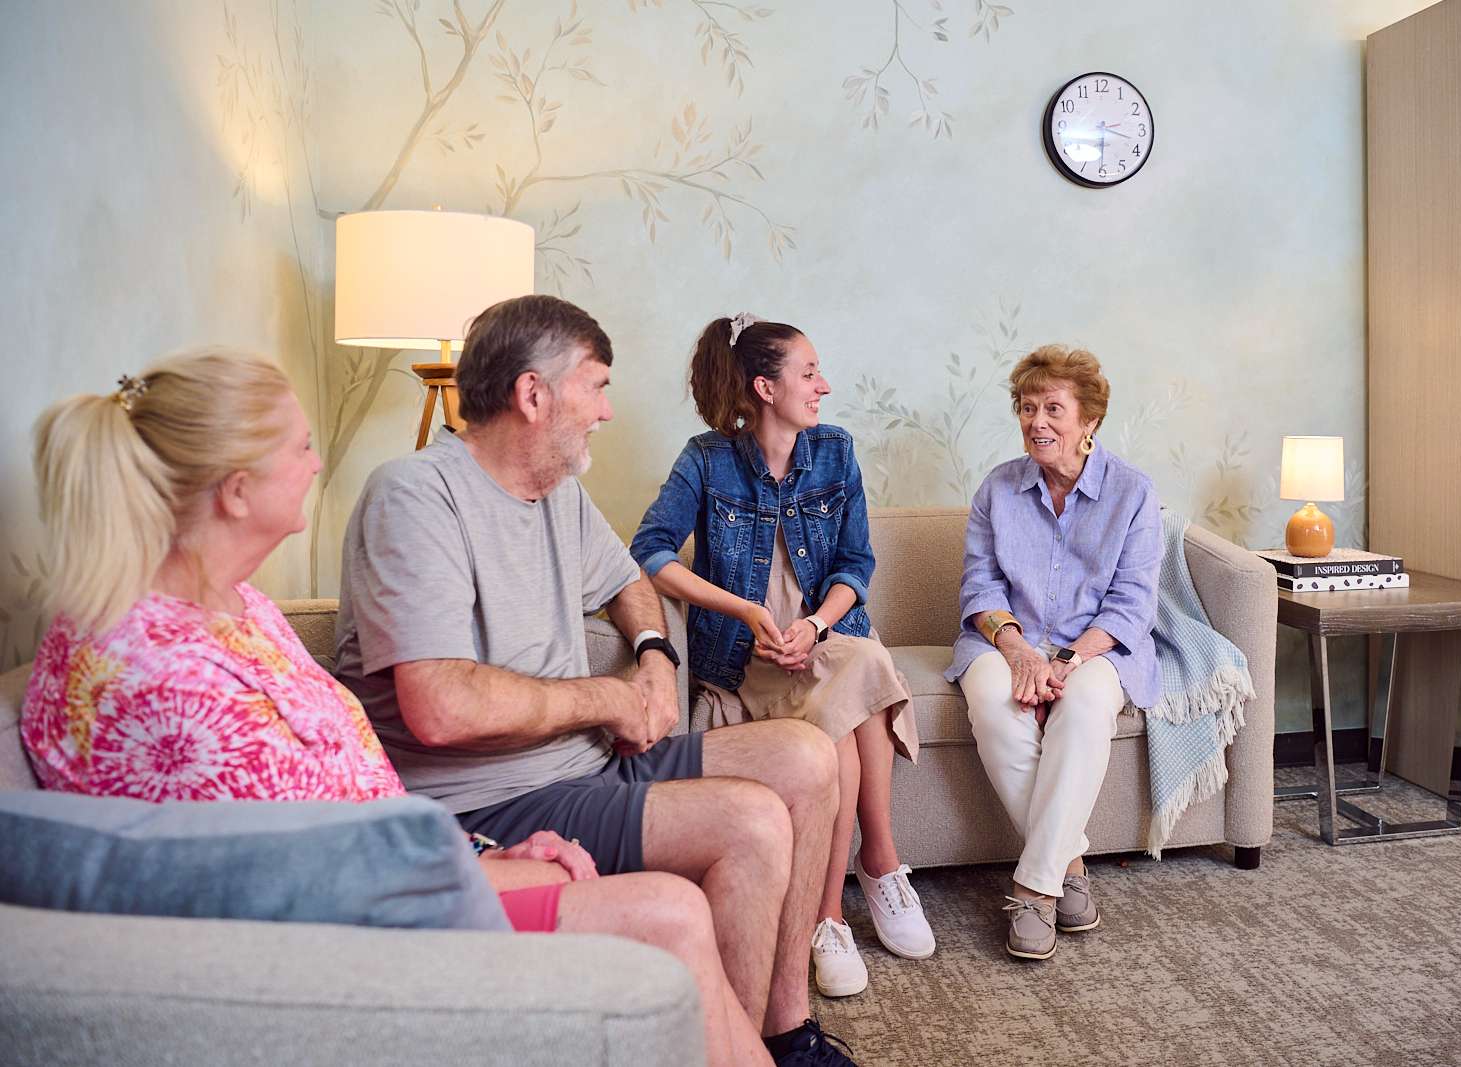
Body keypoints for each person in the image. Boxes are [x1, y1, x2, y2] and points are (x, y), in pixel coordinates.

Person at [19, 349, 774, 1067]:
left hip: (412, 870)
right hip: (360, 947)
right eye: (301, 446)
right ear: (237, 490)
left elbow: (336, 823)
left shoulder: (234, 605)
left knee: (727, 844)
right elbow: (303, 882)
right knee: (669, 915)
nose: (317, 463)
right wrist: (489, 870)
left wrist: (482, 853)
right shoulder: (160, 680)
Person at [333, 296, 856, 1067]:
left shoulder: (559, 492)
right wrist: (608, 698)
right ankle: (727, 1050)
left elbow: (630, 580)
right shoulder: (415, 496)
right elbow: (439, 705)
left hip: (585, 762)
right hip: (491, 798)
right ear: (532, 394)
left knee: (808, 758)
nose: (608, 411)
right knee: (750, 821)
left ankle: (782, 1028)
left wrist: (653, 658)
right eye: (597, 386)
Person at [629, 313, 935, 998]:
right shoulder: (705, 459)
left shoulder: (835, 450)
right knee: (846, 736)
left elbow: (856, 562)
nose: (823, 385)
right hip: (746, 657)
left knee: (857, 667)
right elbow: (648, 552)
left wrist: (817, 628)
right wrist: (743, 611)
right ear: (765, 387)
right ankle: (840, 905)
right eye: (808, 373)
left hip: (829, 641)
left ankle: (872, 872)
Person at [946, 345, 1161, 962]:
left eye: (1053, 409)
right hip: (1008, 639)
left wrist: (1066, 661)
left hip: (1097, 646)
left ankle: (1033, 887)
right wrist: (1016, 651)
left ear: (1088, 420)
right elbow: (981, 586)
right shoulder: (999, 488)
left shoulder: (1133, 493)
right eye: (1026, 407)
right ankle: (1067, 863)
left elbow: (1131, 605)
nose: (1036, 422)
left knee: (1086, 706)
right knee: (991, 700)